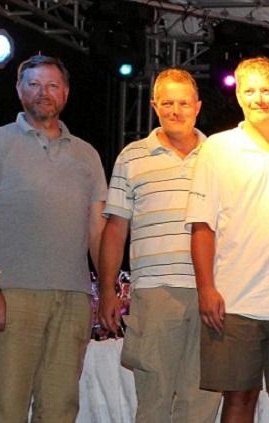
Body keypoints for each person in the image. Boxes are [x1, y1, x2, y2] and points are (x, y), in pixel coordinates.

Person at [0, 54, 107, 422]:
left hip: (73, 298)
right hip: (12, 296)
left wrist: (106, 290)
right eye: (34, 84)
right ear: (19, 90)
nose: (44, 93)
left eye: (52, 85)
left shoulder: (87, 155)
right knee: (5, 407)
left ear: (66, 93)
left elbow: (97, 230)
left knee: (60, 407)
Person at [98, 68, 221, 423]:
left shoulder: (219, 156)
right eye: (167, 102)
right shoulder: (132, 157)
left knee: (201, 402)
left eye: (184, 102)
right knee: (153, 402)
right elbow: (115, 228)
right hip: (154, 294)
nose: (176, 110)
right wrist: (107, 291)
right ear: (154, 106)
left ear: (197, 106)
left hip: (209, 293)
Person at [187, 57, 269, 422]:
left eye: (265, 90)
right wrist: (206, 287)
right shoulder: (217, 148)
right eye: (249, 90)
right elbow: (202, 226)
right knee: (239, 399)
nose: (258, 98)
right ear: (238, 97)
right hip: (234, 300)